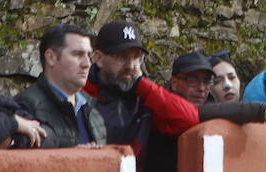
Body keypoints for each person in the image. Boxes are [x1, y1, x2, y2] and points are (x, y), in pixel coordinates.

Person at [81, 20, 199, 168]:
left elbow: (189, 119)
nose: (131, 66)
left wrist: (143, 85)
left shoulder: (145, 96)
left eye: (137, 57)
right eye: (121, 56)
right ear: (99, 58)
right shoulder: (81, 94)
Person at [14, 24, 108, 148]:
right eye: (77, 54)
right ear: (51, 57)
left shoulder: (93, 108)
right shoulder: (25, 106)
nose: (87, 64)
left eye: (88, 56)